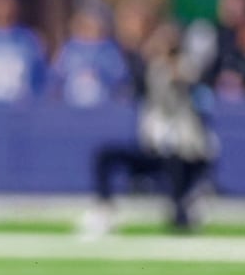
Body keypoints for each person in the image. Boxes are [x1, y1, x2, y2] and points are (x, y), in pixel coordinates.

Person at [79, 21, 217, 237]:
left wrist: (171, 62)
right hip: (153, 148)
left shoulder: (184, 67)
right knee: (104, 154)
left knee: (175, 165)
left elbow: (189, 79)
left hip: (184, 151)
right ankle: (104, 210)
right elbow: (138, 74)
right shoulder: (151, 69)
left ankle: (182, 211)